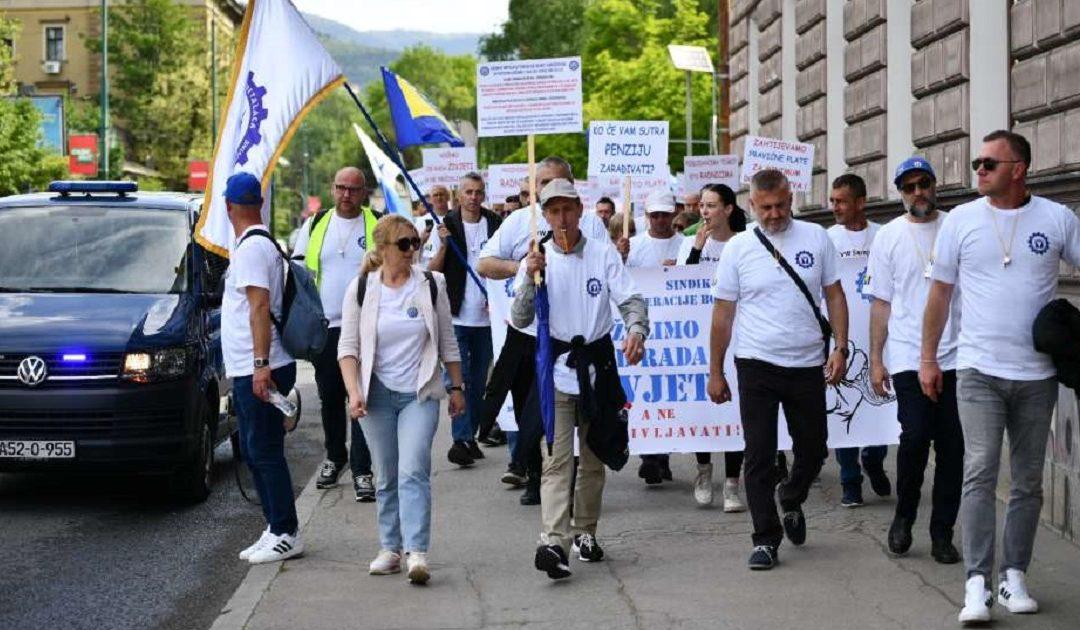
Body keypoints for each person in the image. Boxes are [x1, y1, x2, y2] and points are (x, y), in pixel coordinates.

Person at [921, 130, 1080, 623]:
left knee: (1028, 479)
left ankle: (1013, 575)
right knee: (980, 471)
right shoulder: (962, 220)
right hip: (978, 369)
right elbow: (940, 295)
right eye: (977, 163)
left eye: (989, 163)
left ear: (1019, 168)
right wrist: (928, 358)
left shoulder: (1057, 218)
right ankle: (976, 583)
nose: (979, 171)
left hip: (1037, 374)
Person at [708, 169, 849, 571]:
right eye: (765, 207)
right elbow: (723, 313)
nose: (774, 214)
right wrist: (715, 370)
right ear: (752, 205)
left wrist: (839, 348)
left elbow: (835, 296)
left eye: (781, 205)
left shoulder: (816, 238)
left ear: (792, 199)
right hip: (756, 364)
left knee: (813, 448)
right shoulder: (738, 248)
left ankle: (790, 495)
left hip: (807, 364)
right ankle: (765, 539)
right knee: (759, 454)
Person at [511, 178, 648, 579]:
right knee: (555, 460)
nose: (562, 218)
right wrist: (528, 279)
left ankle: (585, 530)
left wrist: (636, 331)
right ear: (546, 216)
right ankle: (554, 541)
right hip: (554, 370)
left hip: (597, 366)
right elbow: (520, 319)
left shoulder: (603, 253)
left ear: (579, 210)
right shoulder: (536, 260)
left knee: (593, 457)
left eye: (568, 209)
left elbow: (630, 299)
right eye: (553, 211)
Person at [338, 214, 465, 585]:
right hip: (376, 394)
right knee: (386, 474)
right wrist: (354, 392)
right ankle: (389, 548)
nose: (413, 250)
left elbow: (447, 341)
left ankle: (416, 552)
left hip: (419, 391)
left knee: (413, 469)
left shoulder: (431, 284)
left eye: (416, 243)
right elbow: (347, 348)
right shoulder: (361, 288)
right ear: (383, 248)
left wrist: (457, 388)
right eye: (404, 244)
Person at [477, 157, 610, 506]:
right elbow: (484, 263)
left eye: (558, 182)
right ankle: (536, 476)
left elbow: (607, 267)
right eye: (544, 183)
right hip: (529, 331)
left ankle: (575, 478)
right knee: (528, 406)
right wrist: (522, 267)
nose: (550, 190)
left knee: (581, 407)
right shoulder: (519, 222)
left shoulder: (591, 224)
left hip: (573, 335)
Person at [866, 157, 963, 565]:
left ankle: (942, 532)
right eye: (909, 187)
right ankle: (904, 516)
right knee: (915, 437)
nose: (918, 192)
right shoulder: (888, 237)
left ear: (935, 185)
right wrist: (875, 359)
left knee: (954, 448)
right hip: (907, 354)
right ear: (900, 193)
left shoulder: (957, 226)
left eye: (924, 183)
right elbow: (881, 302)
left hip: (958, 352)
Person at [224, 172, 302, 565]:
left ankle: (287, 531)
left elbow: (258, 307)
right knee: (256, 450)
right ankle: (274, 526)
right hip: (255, 366)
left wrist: (259, 366)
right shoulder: (256, 243)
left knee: (265, 450)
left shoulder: (252, 248)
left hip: (261, 367)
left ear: (228, 207)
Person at [290, 167, 380, 500]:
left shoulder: (377, 223)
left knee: (361, 398)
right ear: (332, 188)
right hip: (325, 327)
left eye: (353, 190)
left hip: (365, 326)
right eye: (341, 188)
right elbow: (298, 273)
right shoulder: (315, 224)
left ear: (364, 192)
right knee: (329, 398)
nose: (346, 195)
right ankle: (335, 457)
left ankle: (362, 469)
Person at [677, 183, 748, 511]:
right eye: (701, 206)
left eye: (711, 205)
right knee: (703, 405)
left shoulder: (745, 242)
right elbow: (675, 288)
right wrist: (695, 250)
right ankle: (704, 469)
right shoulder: (691, 243)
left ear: (728, 209)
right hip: (698, 335)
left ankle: (732, 482)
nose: (704, 212)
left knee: (736, 406)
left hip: (738, 333)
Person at [427, 172, 501, 467]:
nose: (473, 197)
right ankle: (460, 439)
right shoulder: (447, 225)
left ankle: (470, 435)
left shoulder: (495, 223)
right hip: (456, 315)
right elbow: (431, 269)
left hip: (487, 315)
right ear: (459, 196)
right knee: (460, 378)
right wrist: (444, 245)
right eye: (468, 192)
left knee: (480, 379)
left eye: (478, 192)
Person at [825, 174, 891, 508]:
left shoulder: (884, 236)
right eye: (832, 200)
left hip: (881, 338)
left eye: (841, 201)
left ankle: (875, 459)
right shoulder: (826, 240)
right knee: (844, 408)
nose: (834, 206)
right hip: (842, 340)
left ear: (861, 202)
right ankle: (849, 479)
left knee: (881, 405)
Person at [623, 188, 682, 485]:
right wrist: (619, 257)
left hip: (678, 332)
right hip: (642, 330)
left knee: (670, 390)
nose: (660, 220)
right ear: (647, 216)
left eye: (665, 214)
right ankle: (651, 456)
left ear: (675, 215)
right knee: (647, 390)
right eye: (654, 215)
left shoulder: (686, 246)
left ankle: (663, 457)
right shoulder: (632, 246)